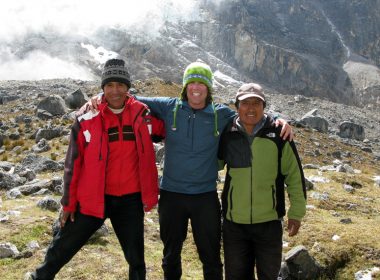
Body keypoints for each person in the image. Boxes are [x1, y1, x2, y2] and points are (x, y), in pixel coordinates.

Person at [84, 60, 293, 280]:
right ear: (185, 86)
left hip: (205, 197)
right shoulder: (168, 107)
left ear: (208, 88)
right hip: (172, 195)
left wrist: (278, 120)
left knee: (211, 256)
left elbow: (251, 115)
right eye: (191, 82)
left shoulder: (220, 114)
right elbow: (127, 98)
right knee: (171, 255)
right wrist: (98, 98)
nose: (196, 88)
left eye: (201, 83)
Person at [29, 59, 164, 280]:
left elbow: (168, 130)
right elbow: (73, 162)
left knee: (136, 260)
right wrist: (68, 203)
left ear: (128, 88)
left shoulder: (143, 114)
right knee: (62, 249)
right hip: (93, 198)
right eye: (109, 85)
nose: (115, 90)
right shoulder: (87, 116)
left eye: (120, 85)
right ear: (103, 87)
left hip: (130, 200)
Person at [218, 83, 306, 280]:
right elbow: (213, 165)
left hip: (269, 224)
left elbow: (294, 176)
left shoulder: (279, 135)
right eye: (245, 103)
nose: (251, 108)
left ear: (264, 106)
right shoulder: (227, 134)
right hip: (234, 225)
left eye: (256, 103)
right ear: (237, 107)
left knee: (269, 276)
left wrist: (296, 213)